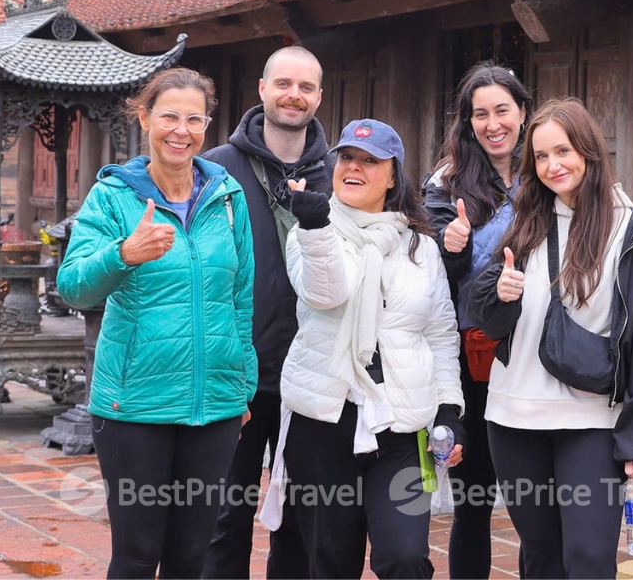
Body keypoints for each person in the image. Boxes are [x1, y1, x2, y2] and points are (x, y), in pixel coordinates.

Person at [466, 99, 633, 579]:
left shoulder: (632, 230)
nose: (551, 166)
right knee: (540, 553)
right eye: (540, 157)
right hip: (513, 414)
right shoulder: (525, 221)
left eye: (562, 151)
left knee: (587, 555)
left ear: (589, 151)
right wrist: (499, 295)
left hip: (591, 421)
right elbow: (486, 316)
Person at [57, 68, 256, 579]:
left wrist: (242, 388)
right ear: (145, 117)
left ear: (207, 125)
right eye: (169, 116)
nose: (181, 131)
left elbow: (240, 300)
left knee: (192, 556)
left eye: (194, 119)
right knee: (138, 554)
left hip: (213, 406)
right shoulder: (114, 196)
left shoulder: (227, 199)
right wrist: (123, 254)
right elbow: (74, 286)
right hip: (134, 409)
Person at [264, 118, 465, 578]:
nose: (354, 168)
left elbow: (439, 335)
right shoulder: (310, 229)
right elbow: (327, 294)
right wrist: (315, 227)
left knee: (405, 556)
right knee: (330, 561)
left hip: (400, 426)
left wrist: (450, 409)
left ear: (393, 175)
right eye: (347, 158)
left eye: (370, 161)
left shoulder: (421, 247)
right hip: (324, 424)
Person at [203, 45, 331, 579]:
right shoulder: (213, 170)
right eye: (284, 83)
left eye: (305, 87)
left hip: (310, 375)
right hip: (236, 372)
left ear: (319, 96)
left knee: (302, 518)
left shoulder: (338, 173)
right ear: (262, 89)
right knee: (223, 515)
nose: (293, 95)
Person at [423, 61, 532, 579]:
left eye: (502, 111)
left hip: (540, 352)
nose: (493, 124)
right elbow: (435, 272)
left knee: (538, 502)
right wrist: (453, 247)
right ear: (467, 122)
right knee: (474, 499)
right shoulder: (446, 183)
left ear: (522, 112)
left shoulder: (548, 170)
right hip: (478, 357)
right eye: (480, 114)